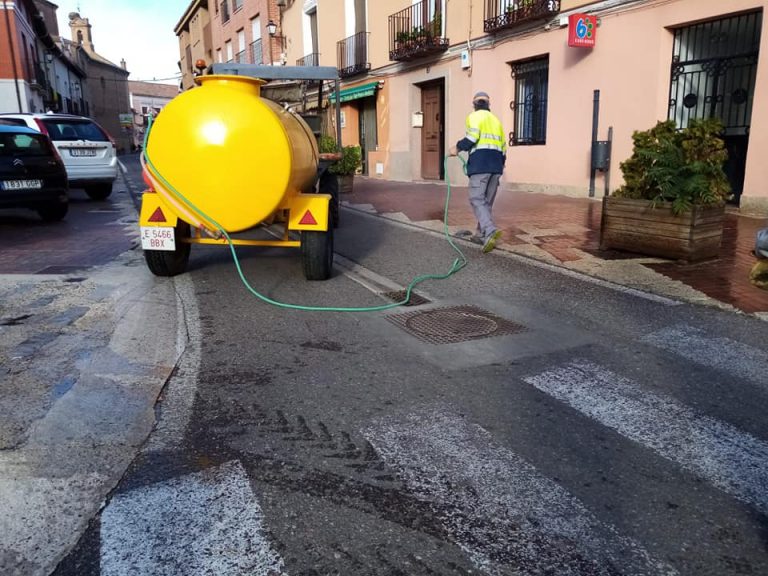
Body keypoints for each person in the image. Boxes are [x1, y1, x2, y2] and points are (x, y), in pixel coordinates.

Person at [449, 91, 507, 253]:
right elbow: (503, 148)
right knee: (486, 202)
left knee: (476, 198)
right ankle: (481, 234)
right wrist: (500, 167)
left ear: (474, 104)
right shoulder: (496, 121)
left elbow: (472, 138)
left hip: (481, 164)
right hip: (496, 166)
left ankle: (489, 229)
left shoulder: (474, 117)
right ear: (488, 104)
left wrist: (457, 148)